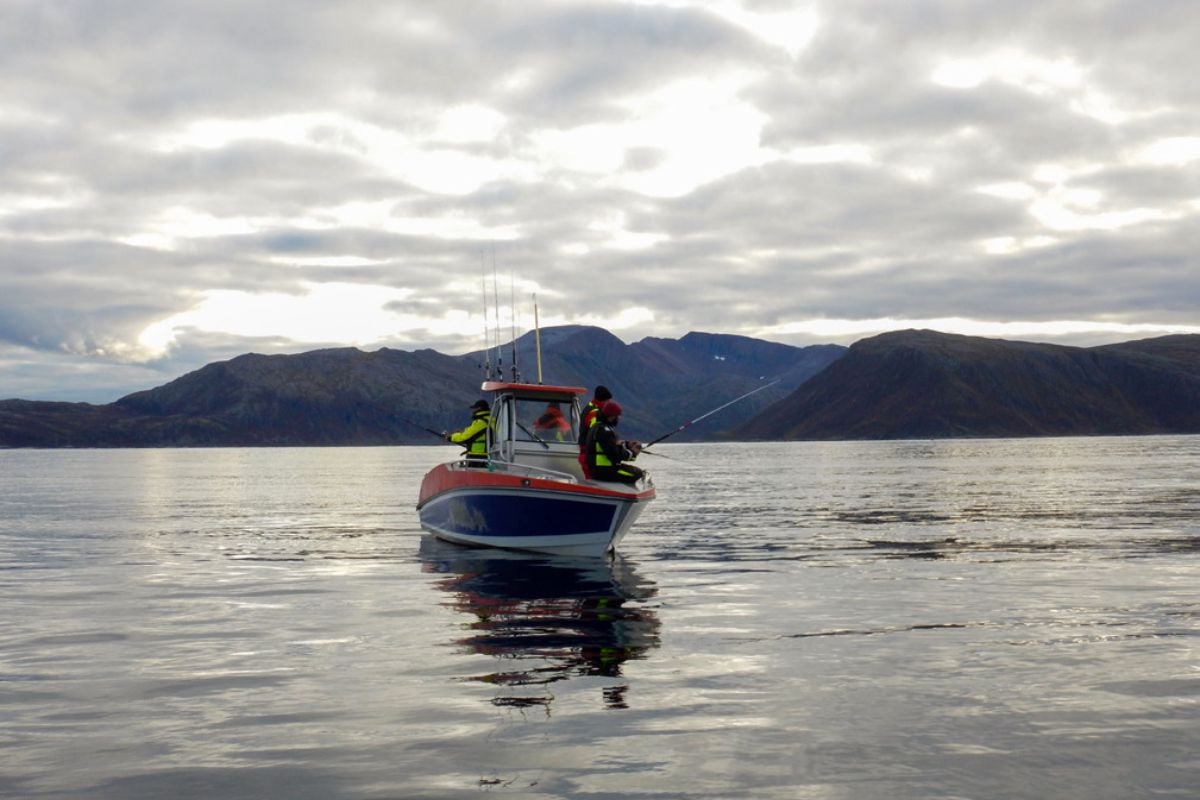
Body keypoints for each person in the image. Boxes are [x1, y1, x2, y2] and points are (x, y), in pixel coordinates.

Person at [584, 400, 646, 486]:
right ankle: (625, 494)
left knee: (635, 471)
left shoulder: (598, 427)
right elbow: (614, 454)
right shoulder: (605, 431)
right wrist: (632, 453)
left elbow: (612, 445)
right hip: (604, 471)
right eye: (618, 416)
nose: (619, 418)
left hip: (600, 469)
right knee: (638, 473)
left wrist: (627, 444)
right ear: (612, 416)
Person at [577, 385, 613, 477]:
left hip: (585, 453)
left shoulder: (589, 407)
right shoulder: (595, 413)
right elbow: (597, 434)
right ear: (604, 400)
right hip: (589, 455)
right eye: (608, 401)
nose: (609, 403)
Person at [444, 399, 491, 467]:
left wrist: (450, 437)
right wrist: (462, 432)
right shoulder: (491, 420)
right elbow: (476, 434)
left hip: (477, 456)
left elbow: (464, 437)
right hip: (486, 456)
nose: (473, 411)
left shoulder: (480, 422)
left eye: (474, 408)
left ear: (479, 408)